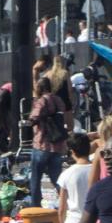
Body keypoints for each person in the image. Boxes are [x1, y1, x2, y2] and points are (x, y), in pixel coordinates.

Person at [28, 76, 70, 209]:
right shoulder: (58, 100)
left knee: (35, 177)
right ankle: (67, 202)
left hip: (42, 143)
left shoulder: (42, 101)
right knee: (56, 178)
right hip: (57, 145)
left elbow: (34, 117)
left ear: (41, 88)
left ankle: (35, 206)